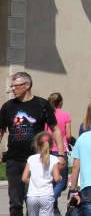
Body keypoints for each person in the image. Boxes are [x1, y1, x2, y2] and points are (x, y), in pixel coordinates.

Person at [1, 73, 67, 216]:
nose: (13, 89)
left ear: (27, 85)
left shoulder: (42, 105)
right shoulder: (8, 106)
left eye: (17, 86)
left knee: (31, 199)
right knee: (15, 202)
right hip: (13, 160)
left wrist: (61, 154)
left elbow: (55, 129)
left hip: (36, 159)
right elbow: (0, 131)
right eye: (12, 86)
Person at [23, 132, 61, 216]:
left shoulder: (31, 158)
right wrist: (60, 177)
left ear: (36, 144)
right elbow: (57, 178)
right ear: (52, 145)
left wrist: (33, 180)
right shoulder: (54, 159)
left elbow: (24, 178)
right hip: (46, 195)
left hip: (32, 196)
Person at [47, 93, 72, 213]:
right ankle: (50, 201)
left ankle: (55, 210)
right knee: (62, 180)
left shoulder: (47, 114)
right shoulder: (65, 115)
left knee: (51, 179)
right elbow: (68, 135)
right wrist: (68, 142)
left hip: (48, 149)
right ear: (60, 103)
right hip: (61, 150)